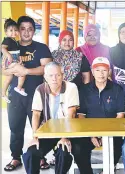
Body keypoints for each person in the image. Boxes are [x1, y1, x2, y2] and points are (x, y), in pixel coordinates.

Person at [2, 16, 52, 172]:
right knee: (15, 127)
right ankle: (16, 157)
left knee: (40, 127)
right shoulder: (10, 46)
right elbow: (2, 69)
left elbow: (47, 68)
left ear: (34, 31)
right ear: (18, 30)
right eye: (22, 28)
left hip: (37, 95)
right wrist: (12, 70)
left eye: (30, 28)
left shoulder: (41, 47)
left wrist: (26, 71)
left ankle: (41, 156)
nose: (26, 32)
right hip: (15, 95)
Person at [22, 62, 79, 174]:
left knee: (63, 153)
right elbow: (36, 114)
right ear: (45, 77)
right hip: (48, 131)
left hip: (66, 130)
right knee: (31, 153)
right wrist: (35, 136)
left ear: (62, 75)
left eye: (57, 75)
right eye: (50, 75)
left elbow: (71, 114)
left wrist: (64, 137)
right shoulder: (40, 89)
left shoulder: (71, 87)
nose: (54, 79)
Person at [71, 57, 125, 174]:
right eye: (98, 70)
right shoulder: (84, 90)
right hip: (89, 131)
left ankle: (106, 171)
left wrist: (105, 134)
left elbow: (120, 116)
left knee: (118, 145)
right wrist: (92, 135)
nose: (101, 74)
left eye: (104, 70)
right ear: (92, 71)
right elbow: (81, 116)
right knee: (78, 147)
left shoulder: (117, 89)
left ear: (109, 71)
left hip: (112, 131)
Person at [1, 18, 27, 103]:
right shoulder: (7, 39)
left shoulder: (14, 41)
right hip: (9, 61)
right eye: (11, 30)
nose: (13, 32)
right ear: (6, 32)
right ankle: (19, 87)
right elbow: (2, 48)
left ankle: (3, 93)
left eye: (15, 30)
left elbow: (17, 53)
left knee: (9, 77)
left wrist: (19, 60)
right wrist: (8, 55)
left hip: (14, 60)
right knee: (22, 71)